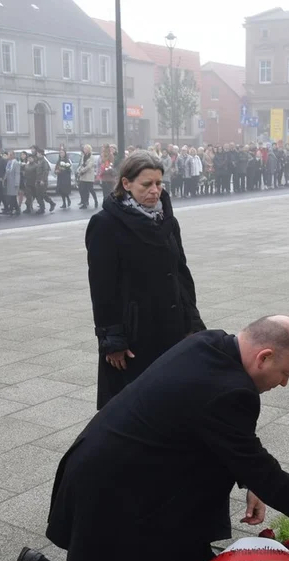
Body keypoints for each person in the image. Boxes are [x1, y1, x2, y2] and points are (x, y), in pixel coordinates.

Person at [9, 316, 289, 561]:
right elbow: (260, 467)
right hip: (112, 489)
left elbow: (225, 439)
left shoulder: (213, 343)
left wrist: (250, 480)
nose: (284, 383)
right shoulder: (230, 391)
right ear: (264, 357)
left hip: (132, 467)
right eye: (285, 373)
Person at [85, 151, 205, 409]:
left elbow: (181, 274)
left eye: (159, 184)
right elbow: (102, 289)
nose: (155, 191)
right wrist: (112, 340)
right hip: (135, 334)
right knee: (131, 407)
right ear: (126, 184)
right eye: (147, 184)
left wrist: (191, 322)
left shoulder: (167, 221)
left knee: (170, 403)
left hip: (171, 326)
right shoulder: (105, 224)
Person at [77, 145, 98, 209]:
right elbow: (81, 164)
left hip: (89, 176)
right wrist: (79, 170)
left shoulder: (92, 157)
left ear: (89, 150)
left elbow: (89, 166)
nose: (84, 150)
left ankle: (95, 201)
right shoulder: (83, 156)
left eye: (86, 149)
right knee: (83, 190)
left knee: (91, 189)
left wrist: (82, 171)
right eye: (84, 149)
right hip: (83, 176)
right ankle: (84, 203)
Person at [2, 150, 21, 217]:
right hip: (9, 182)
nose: (8, 156)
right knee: (11, 196)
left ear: (13, 155)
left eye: (9, 155)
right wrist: (4, 179)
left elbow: (17, 174)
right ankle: (17, 209)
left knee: (12, 196)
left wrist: (16, 183)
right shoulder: (8, 162)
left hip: (13, 182)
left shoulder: (16, 163)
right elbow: (6, 172)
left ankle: (11, 210)